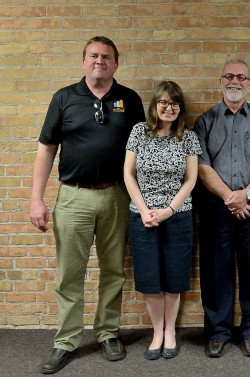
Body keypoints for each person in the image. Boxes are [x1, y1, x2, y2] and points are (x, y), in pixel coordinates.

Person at [29, 36, 145, 374]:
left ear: (115, 64)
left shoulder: (130, 99)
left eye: (106, 57)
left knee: (113, 271)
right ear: (83, 61)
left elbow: (142, 147)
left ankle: (108, 333)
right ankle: (66, 341)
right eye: (93, 55)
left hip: (116, 196)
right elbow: (46, 148)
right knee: (70, 274)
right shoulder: (64, 98)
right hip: (73, 197)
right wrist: (36, 199)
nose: (100, 61)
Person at [194, 59, 250, 358]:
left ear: (249, 83)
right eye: (229, 76)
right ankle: (219, 331)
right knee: (216, 269)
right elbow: (201, 166)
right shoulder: (205, 121)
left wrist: (246, 194)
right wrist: (231, 198)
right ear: (221, 81)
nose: (235, 81)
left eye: (241, 77)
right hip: (216, 208)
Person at [123, 81, 201, 360]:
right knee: (150, 278)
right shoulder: (138, 133)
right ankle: (157, 332)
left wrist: (168, 210)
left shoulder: (188, 137)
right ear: (155, 105)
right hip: (143, 217)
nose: (169, 108)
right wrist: (144, 210)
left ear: (181, 108)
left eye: (175, 103)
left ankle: (171, 332)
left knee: (174, 277)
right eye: (164, 103)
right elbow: (128, 174)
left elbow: (191, 179)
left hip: (178, 216)